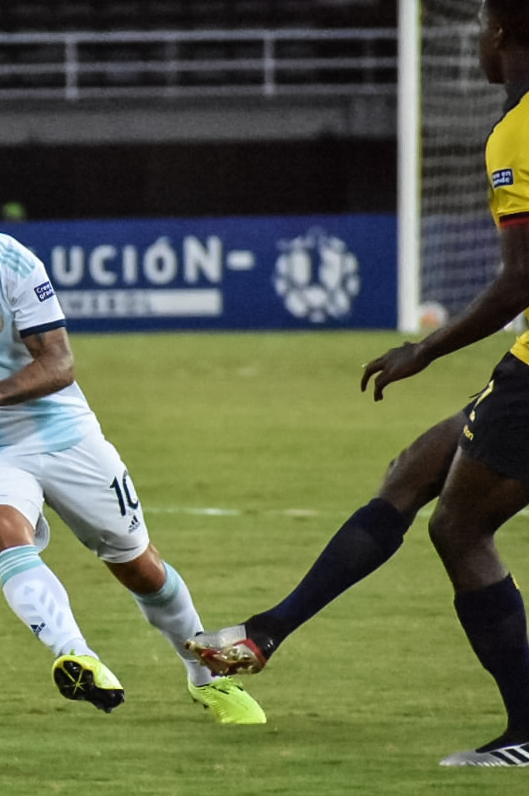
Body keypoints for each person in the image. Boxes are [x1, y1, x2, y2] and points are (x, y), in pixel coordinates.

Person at [186, 0, 529, 766]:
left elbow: (519, 281)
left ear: (502, 33)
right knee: (414, 468)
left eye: (479, 25)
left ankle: (528, 733)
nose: (475, 39)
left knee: (460, 528)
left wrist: (426, 349)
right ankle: (266, 631)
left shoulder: (518, 130)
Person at [0, 142, 265, 724]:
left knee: (140, 568)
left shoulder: (14, 266)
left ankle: (207, 681)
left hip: (61, 431)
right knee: (5, 529)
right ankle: (75, 655)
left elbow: (59, 364)